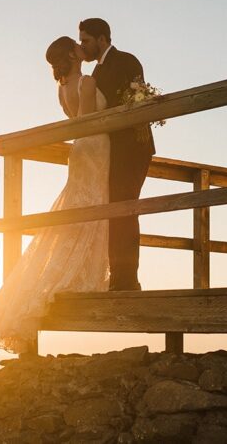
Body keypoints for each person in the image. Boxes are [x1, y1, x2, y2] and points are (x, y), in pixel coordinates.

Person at [0, 36, 112, 353]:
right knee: (95, 207)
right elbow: (91, 123)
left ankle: (70, 270)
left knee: (78, 210)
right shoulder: (87, 82)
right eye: (77, 45)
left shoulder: (62, 88)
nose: (81, 47)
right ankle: (81, 275)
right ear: (72, 54)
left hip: (79, 152)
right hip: (96, 148)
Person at [78, 18, 154, 291]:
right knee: (114, 211)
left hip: (132, 147)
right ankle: (118, 277)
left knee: (126, 209)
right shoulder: (95, 74)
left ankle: (127, 279)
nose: (82, 46)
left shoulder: (126, 61)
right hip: (110, 150)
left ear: (102, 39)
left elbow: (134, 102)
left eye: (85, 40)